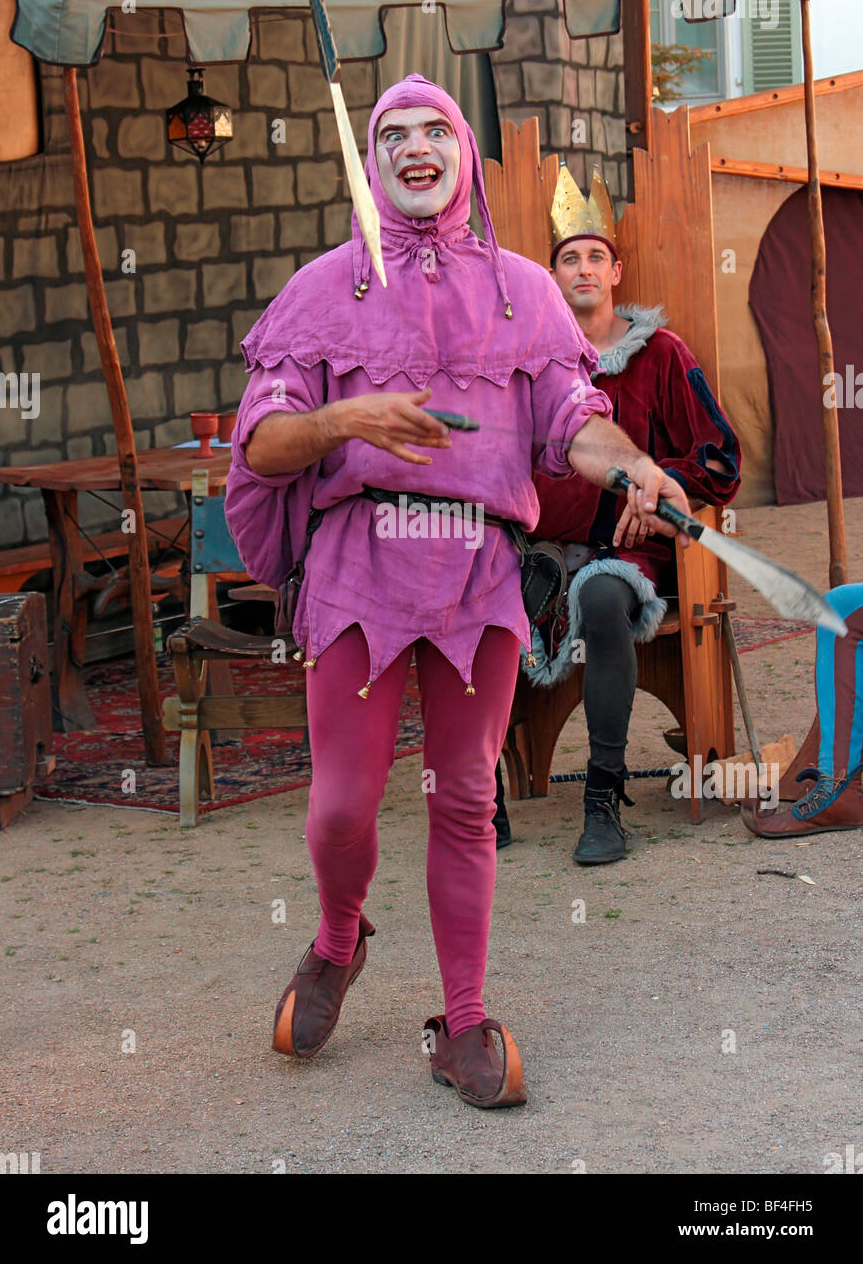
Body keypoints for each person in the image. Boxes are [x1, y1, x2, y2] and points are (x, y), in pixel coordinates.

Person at [224, 77, 692, 1109]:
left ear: (464, 155)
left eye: (436, 129)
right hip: (358, 567)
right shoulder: (321, 290)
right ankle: (339, 939)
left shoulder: (526, 290)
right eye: (391, 133)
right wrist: (349, 423)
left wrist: (632, 468)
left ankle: (465, 1016)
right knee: (342, 805)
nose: (414, 146)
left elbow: (572, 418)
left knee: (466, 798)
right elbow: (260, 441)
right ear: (370, 161)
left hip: (476, 575)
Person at [493, 166, 741, 865]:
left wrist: (661, 493)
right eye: (569, 258)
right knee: (476, 588)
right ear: (551, 275)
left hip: (629, 554)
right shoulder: (533, 368)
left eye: (595, 256)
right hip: (541, 549)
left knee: (602, 598)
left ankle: (602, 797)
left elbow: (721, 460)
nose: (584, 269)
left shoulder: (661, 355)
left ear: (616, 270)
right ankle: (482, 797)